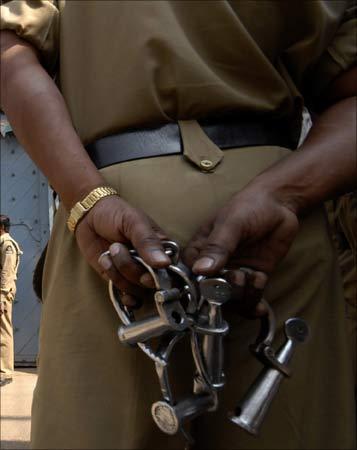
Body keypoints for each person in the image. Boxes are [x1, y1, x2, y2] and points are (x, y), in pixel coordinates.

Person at [0, 1, 356, 448]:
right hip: (275, 235)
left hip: (115, 242)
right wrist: (284, 194)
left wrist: (87, 199)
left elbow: (10, 50)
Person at [0, 214, 22, 387]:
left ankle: (6, 373)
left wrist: (1, 296)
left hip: (3, 293)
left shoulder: (7, 245)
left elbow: (6, 273)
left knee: (3, 331)